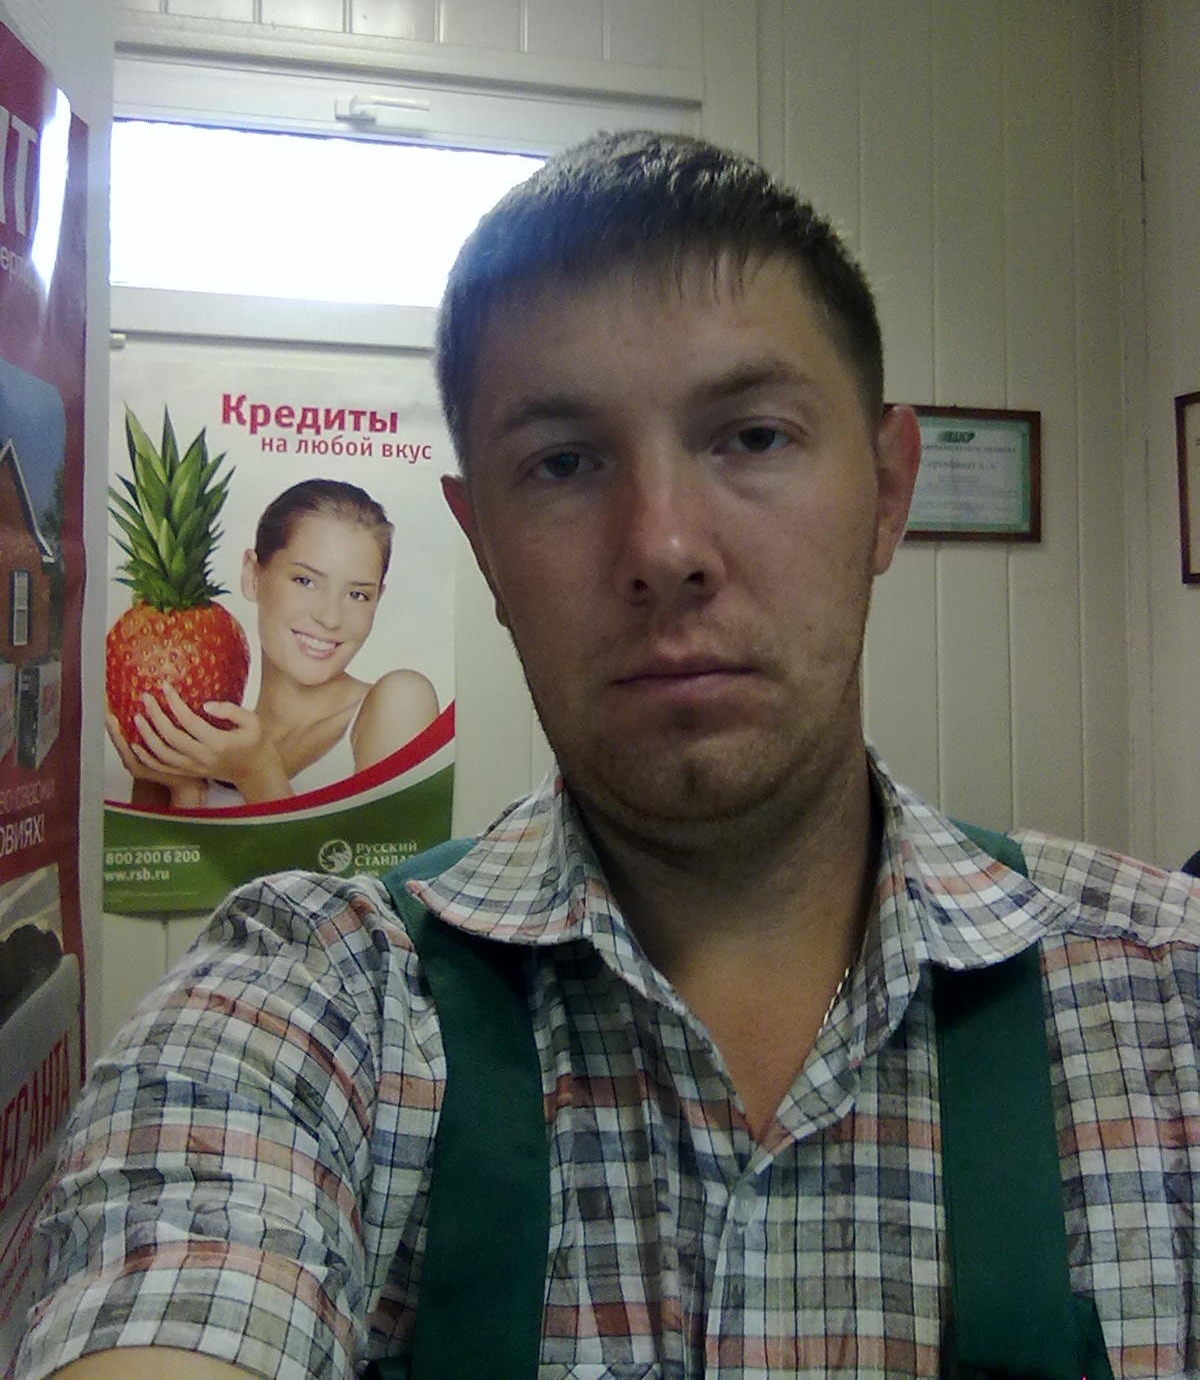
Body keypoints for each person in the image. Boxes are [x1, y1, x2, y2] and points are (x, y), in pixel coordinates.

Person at [18, 133, 1200, 1380]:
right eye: (565, 462)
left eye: (753, 436)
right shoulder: (308, 1002)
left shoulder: (1171, 993)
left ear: (888, 492)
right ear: (482, 542)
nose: (664, 546)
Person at [105, 479, 439, 807]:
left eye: (357, 594)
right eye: (305, 581)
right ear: (252, 575)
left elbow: (397, 847)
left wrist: (258, 774)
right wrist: (184, 790)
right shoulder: (203, 739)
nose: (330, 618)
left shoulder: (399, 701)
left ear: (378, 598)